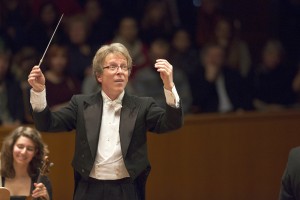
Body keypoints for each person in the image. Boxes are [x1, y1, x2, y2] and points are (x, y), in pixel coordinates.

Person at [28, 43, 183, 200]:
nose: (120, 72)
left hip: (127, 190)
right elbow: (46, 124)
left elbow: (171, 123)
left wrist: (169, 86)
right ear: (99, 76)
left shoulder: (143, 105)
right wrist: (39, 91)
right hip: (89, 190)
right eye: (113, 66)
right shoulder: (80, 104)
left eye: (124, 67)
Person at [0, 126, 52, 200]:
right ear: (11, 146)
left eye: (30, 149)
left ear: (35, 152)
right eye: (20, 146)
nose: (24, 152)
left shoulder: (42, 180)